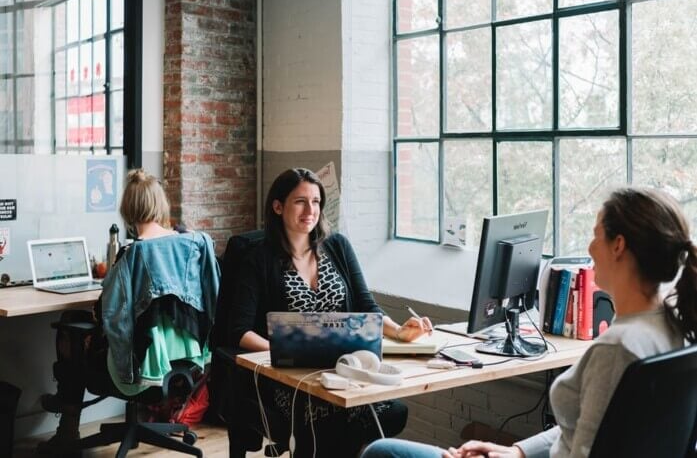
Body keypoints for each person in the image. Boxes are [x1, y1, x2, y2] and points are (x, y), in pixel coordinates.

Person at [362, 187, 697, 458]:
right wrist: (517, 451)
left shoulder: (617, 348)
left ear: (619, 245)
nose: (590, 247)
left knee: (384, 451)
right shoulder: (676, 330)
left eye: (596, 235)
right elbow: (586, 428)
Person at [228, 167, 433, 458]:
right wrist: (282, 351)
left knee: (389, 412)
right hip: (290, 379)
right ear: (277, 206)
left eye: (315, 201)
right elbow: (240, 331)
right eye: (300, 201)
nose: (310, 210)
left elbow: (367, 307)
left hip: (344, 370)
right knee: (327, 424)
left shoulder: (337, 246)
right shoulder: (257, 260)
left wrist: (400, 330)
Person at [37, 168, 220, 454]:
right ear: (160, 204)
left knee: (70, 324)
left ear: (127, 209)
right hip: (187, 364)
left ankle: (67, 423)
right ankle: (65, 408)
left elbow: (107, 314)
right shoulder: (193, 243)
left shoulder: (135, 253)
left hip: (139, 367)